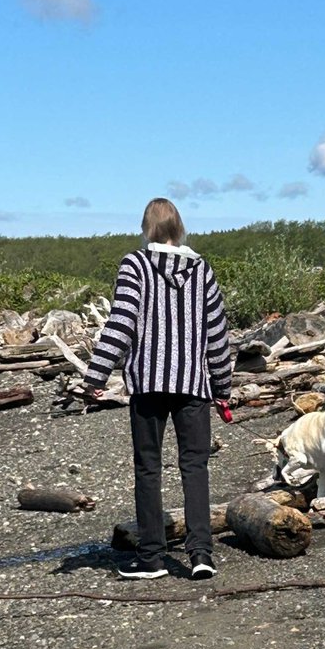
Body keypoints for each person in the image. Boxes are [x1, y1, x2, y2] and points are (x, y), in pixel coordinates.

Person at [84, 197, 233, 580]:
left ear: (146, 227)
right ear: (179, 228)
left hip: (148, 384)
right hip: (192, 386)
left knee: (148, 469)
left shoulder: (135, 264)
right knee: (195, 468)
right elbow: (217, 335)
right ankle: (201, 554)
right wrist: (222, 388)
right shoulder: (202, 270)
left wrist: (94, 377)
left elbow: (121, 324)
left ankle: (151, 558)